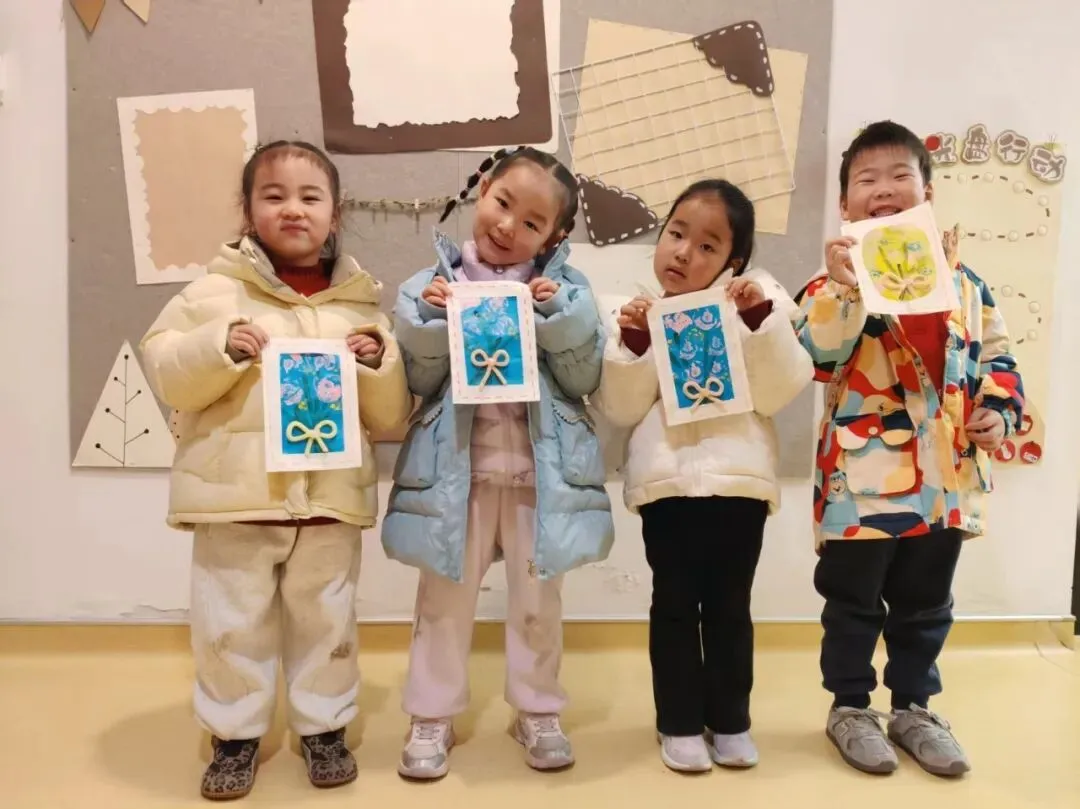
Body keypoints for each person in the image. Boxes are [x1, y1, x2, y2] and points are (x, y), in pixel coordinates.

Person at [139, 141, 412, 800]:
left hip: (328, 502)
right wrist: (218, 345)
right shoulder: (212, 294)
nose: (293, 208)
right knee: (230, 622)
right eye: (274, 195)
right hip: (236, 501)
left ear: (334, 214)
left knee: (329, 621)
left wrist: (377, 362)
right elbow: (167, 370)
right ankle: (233, 734)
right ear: (248, 210)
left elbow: (390, 414)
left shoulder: (362, 307)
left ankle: (324, 726)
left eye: (310, 197)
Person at [795, 121, 1024, 777]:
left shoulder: (967, 284)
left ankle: (914, 708)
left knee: (927, 602)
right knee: (852, 600)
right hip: (862, 481)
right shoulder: (830, 285)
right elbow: (815, 356)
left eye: (900, 175)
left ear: (928, 192)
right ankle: (849, 707)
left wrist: (998, 410)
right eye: (866, 179)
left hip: (945, 477)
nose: (884, 189)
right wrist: (843, 286)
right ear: (845, 203)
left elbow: (999, 360)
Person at [383, 146, 613, 780]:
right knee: (443, 600)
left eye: (532, 222)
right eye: (503, 203)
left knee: (538, 600)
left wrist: (556, 315)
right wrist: (433, 318)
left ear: (555, 236)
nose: (509, 226)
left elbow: (584, 377)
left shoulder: (566, 292)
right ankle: (431, 713)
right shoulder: (430, 285)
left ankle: (538, 708)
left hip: (540, 475)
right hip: (456, 474)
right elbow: (417, 379)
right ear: (482, 188)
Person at [590, 179, 813, 772]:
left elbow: (780, 389)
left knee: (729, 607)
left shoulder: (757, 305)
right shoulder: (633, 313)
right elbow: (620, 409)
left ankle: (731, 721)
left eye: (709, 246)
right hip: (666, 488)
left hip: (739, 486)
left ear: (733, 262)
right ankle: (680, 723)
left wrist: (757, 320)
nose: (685, 252)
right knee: (673, 606)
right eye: (677, 234)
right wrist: (634, 343)